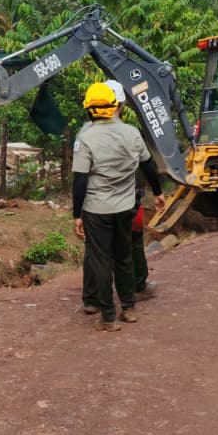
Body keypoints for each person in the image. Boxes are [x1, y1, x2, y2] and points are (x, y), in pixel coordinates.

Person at [72, 82, 165, 332]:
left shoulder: (85, 138)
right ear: (115, 106)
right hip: (126, 207)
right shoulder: (131, 133)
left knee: (101, 260)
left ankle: (108, 317)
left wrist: (77, 215)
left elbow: (80, 180)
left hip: (96, 210)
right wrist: (158, 193)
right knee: (124, 257)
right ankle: (129, 308)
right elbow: (148, 166)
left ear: (89, 109)